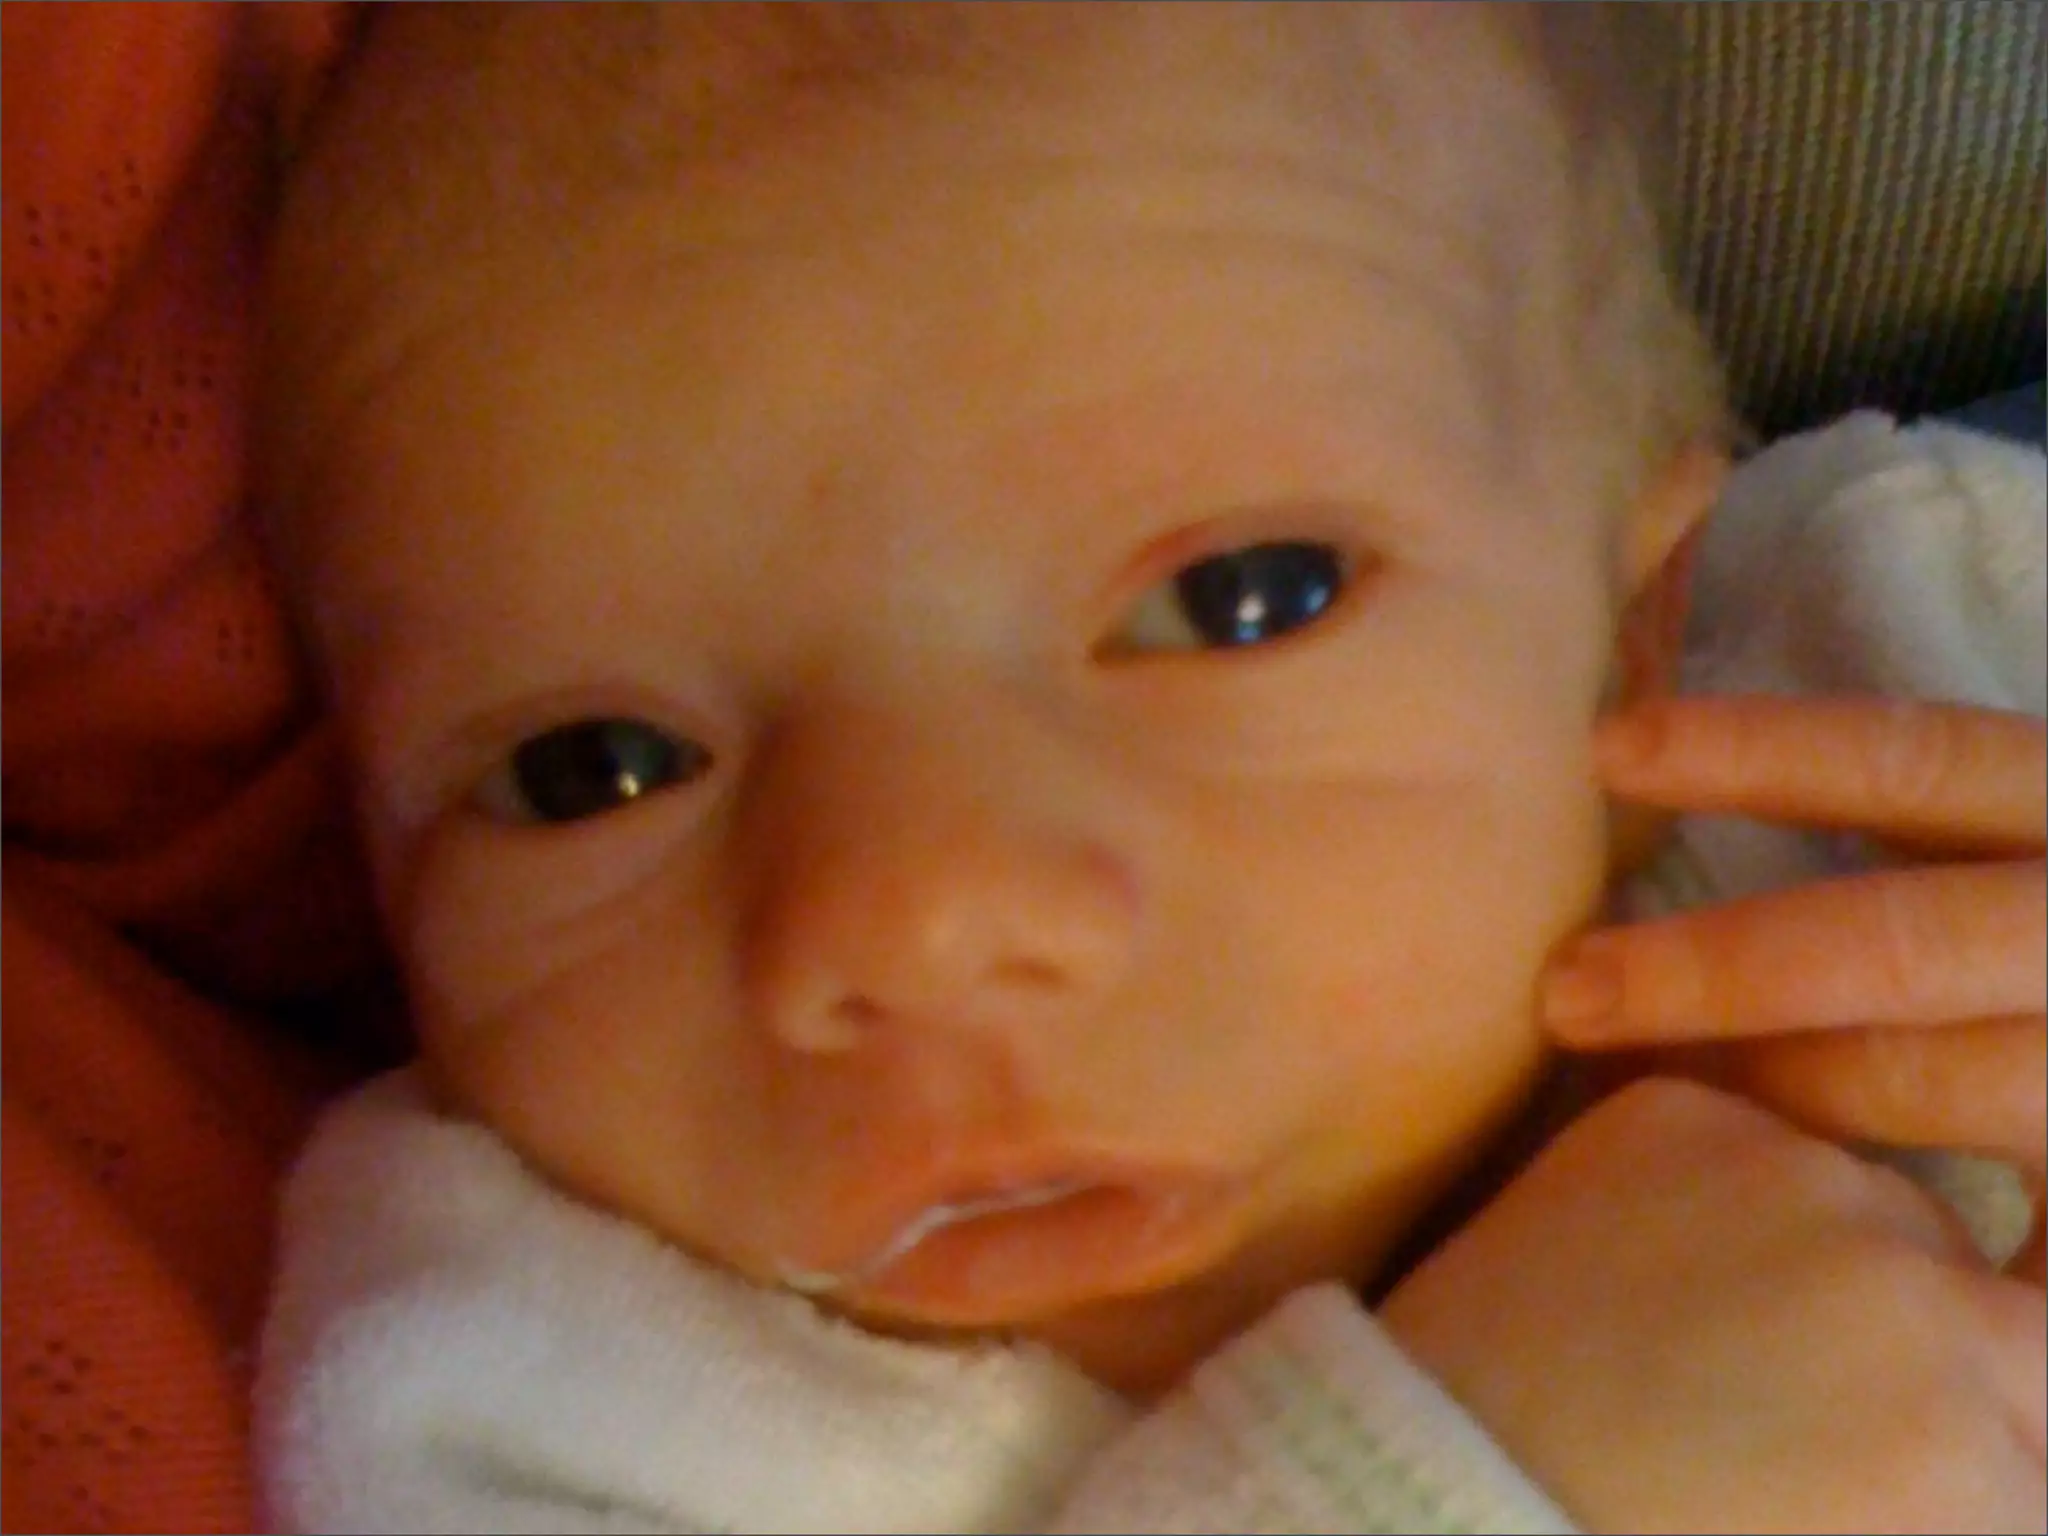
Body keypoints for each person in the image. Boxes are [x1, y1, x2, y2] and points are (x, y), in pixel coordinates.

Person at [249, 4, 2046, 1531]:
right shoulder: (530, 1393)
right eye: (595, 770)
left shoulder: (1900, 700)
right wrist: (1431, 1480)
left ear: (1636, 622)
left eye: (1233, 601)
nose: (909, 913)